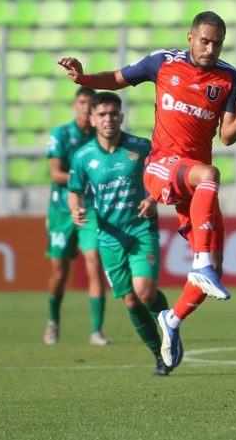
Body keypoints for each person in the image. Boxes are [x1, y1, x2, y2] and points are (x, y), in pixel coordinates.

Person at [57, 11, 236, 370]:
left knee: (218, 264)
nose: (210, 48)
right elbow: (117, 79)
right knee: (210, 176)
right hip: (163, 166)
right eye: (205, 41)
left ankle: (173, 319)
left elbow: (225, 136)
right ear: (190, 37)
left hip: (191, 178)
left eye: (217, 43)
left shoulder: (229, 78)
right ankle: (199, 265)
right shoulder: (162, 62)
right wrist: (83, 76)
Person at [67, 92, 176, 376]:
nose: (108, 119)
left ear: (121, 117)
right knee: (130, 300)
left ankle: (171, 330)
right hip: (109, 237)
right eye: (102, 114)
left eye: (113, 114)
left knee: (145, 292)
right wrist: (76, 209)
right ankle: (159, 354)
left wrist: (153, 199)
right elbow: (75, 192)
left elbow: (162, 177)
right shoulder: (83, 157)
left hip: (141, 230)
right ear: (92, 119)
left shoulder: (141, 148)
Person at [44, 86, 109, 347]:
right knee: (60, 274)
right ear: (75, 104)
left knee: (93, 261)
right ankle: (53, 320)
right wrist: (84, 178)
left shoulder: (101, 137)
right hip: (62, 209)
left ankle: (96, 330)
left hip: (91, 209)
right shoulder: (60, 134)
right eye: (81, 102)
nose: (85, 107)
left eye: (89, 103)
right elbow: (55, 173)